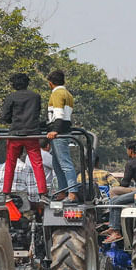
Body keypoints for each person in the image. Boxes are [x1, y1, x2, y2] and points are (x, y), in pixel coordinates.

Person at [0, 73, 48, 200]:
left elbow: (5, 117)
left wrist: (13, 120)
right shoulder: (35, 97)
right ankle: (43, 192)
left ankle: (6, 192)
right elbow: (37, 114)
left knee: (10, 162)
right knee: (37, 163)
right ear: (27, 83)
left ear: (14, 85)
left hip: (15, 134)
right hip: (32, 134)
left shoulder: (11, 97)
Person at [44, 69, 78, 197]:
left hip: (59, 131)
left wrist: (55, 130)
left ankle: (72, 192)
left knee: (65, 164)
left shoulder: (57, 93)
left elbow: (59, 115)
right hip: (64, 128)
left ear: (50, 83)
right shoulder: (67, 93)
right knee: (57, 165)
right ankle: (62, 192)